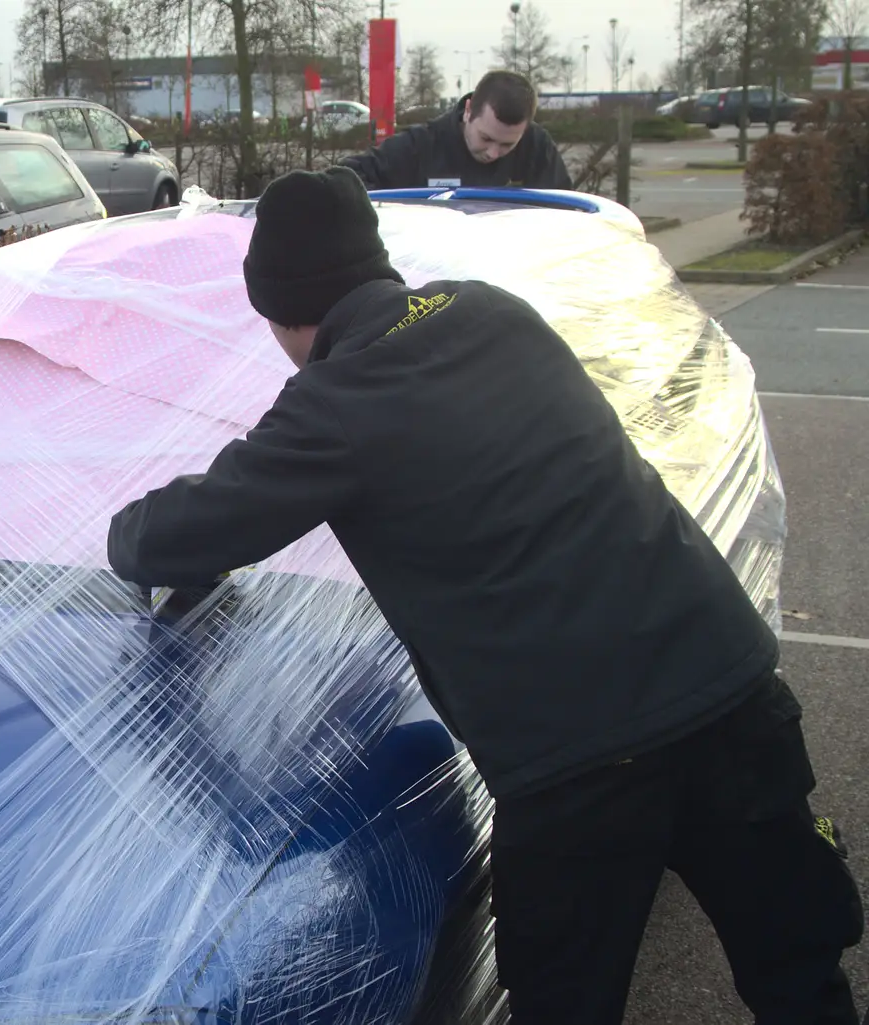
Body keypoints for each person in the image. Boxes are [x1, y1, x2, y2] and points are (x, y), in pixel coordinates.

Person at [105, 167, 863, 1024]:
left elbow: (185, 530)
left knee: (562, 1002)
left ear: (278, 313)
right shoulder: (494, 311)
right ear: (377, 266)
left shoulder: (334, 406)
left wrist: (117, 535)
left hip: (581, 764)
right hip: (726, 688)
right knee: (799, 972)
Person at [339, 70, 573, 190]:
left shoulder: (537, 147)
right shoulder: (420, 146)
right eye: (486, 138)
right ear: (469, 111)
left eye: (507, 145)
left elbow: (565, 212)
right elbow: (346, 178)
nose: (492, 153)